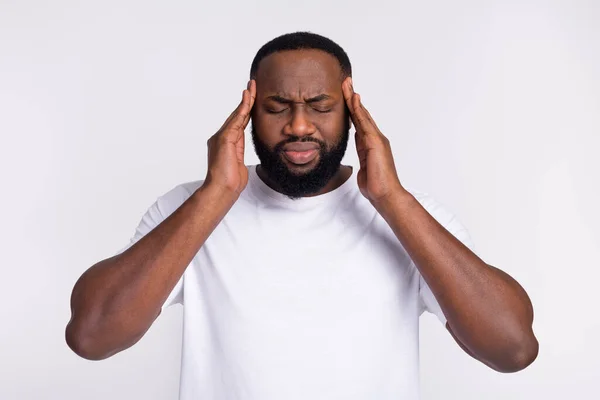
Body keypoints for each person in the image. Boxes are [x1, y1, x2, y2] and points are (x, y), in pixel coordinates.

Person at [66, 31, 539, 399]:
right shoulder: (189, 209)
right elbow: (92, 335)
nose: (298, 126)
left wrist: (391, 199)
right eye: (276, 108)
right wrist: (217, 194)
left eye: (320, 106)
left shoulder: (408, 215)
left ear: (352, 113)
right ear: (247, 112)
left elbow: (512, 348)